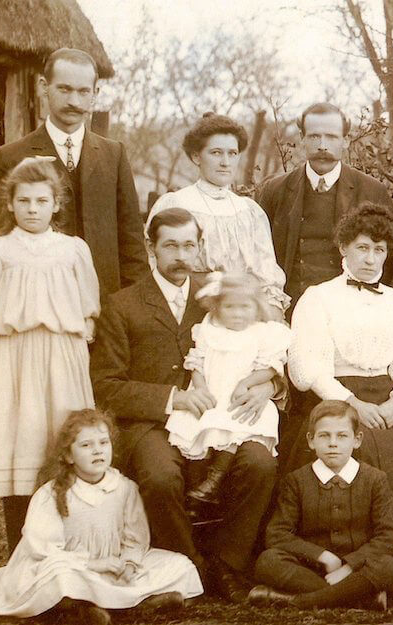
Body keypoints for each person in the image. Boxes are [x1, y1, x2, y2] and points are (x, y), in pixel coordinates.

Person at [91, 207, 279, 601]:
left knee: (260, 463)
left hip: (226, 415)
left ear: (200, 247)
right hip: (153, 423)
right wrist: (172, 398)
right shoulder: (123, 304)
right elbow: (105, 386)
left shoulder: (219, 295)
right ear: (151, 248)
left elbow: (264, 343)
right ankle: (189, 564)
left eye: (189, 245)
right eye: (170, 245)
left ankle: (228, 563)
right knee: (161, 477)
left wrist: (270, 385)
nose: (180, 255)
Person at [0, 157, 100, 551]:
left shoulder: (73, 251)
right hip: (11, 361)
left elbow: (88, 310)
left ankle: (64, 544)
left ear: (56, 205)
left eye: (41, 201)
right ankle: (21, 546)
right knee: (17, 445)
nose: (33, 209)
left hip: (61, 358)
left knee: (61, 444)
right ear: (11, 204)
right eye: (24, 201)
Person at [287, 204, 393, 557]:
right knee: (361, 444)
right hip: (335, 401)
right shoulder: (318, 298)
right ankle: (347, 554)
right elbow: (308, 367)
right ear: (343, 248)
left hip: (388, 400)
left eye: (379, 250)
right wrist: (353, 405)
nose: (371, 259)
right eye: (362, 248)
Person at [0, 410, 202, 623]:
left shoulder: (125, 488)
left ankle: (131, 604)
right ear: (68, 456)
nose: (97, 451)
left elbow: (135, 539)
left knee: (179, 565)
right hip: (73, 566)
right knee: (60, 577)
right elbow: (42, 548)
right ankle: (82, 610)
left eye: (103, 443)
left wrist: (128, 565)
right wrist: (92, 564)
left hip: (112, 567)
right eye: (86, 445)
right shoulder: (53, 493)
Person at [0, 48, 148, 297]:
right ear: (43, 86)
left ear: (95, 94)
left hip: (105, 304)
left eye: (83, 91)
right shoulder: (11, 157)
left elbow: (132, 240)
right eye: (64, 89)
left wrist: (133, 309)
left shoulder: (114, 154)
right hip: (38, 303)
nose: (74, 102)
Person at [248, 400, 393, 609]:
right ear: (311, 441)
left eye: (342, 436)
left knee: (389, 568)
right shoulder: (297, 480)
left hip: (357, 569)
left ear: (357, 440)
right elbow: (277, 534)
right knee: (268, 561)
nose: (333, 443)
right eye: (324, 436)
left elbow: (390, 536)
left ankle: (299, 602)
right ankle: (361, 599)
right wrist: (322, 556)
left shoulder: (375, 480)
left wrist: (348, 566)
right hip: (312, 569)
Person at [163, 272, 292, 504]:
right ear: (217, 308)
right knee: (196, 427)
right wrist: (200, 387)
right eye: (230, 307)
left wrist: (247, 383)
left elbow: (271, 367)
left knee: (235, 428)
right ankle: (196, 487)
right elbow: (197, 362)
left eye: (245, 307)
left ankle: (216, 478)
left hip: (240, 396)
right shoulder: (209, 330)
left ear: (256, 307)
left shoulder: (262, 332)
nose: (238, 313)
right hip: (211, 392)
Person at [146, 114, 288, 313]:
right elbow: (154, 264)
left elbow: (266, 276)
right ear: (196, 156)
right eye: (216, 153)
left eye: (232, 153)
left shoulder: (249, 211)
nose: (225, 162)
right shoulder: (176, 204)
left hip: (240, 314)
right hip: (187, 309)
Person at [257, 102, 391, 304]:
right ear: (302, 139)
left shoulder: (372, 191)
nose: (322, 145)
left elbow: (388, 260)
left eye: (331, 137)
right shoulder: (275, 191)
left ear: (345, 141)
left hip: (349, 307)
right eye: (314, 136)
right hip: (287, 307)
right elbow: (259, 257)